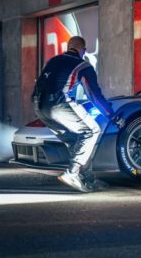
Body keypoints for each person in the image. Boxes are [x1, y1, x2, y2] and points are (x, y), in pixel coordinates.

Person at [31, 36, 124, 192]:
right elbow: (94, 95)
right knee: (92, 130)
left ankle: (87, 179)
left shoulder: (53, 60)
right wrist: (112, 115)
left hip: (39, 107)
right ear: (83, 50)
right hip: (59, 104)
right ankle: (72, 173)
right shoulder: (83, 65)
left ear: (68, 47)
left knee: (76, 140)